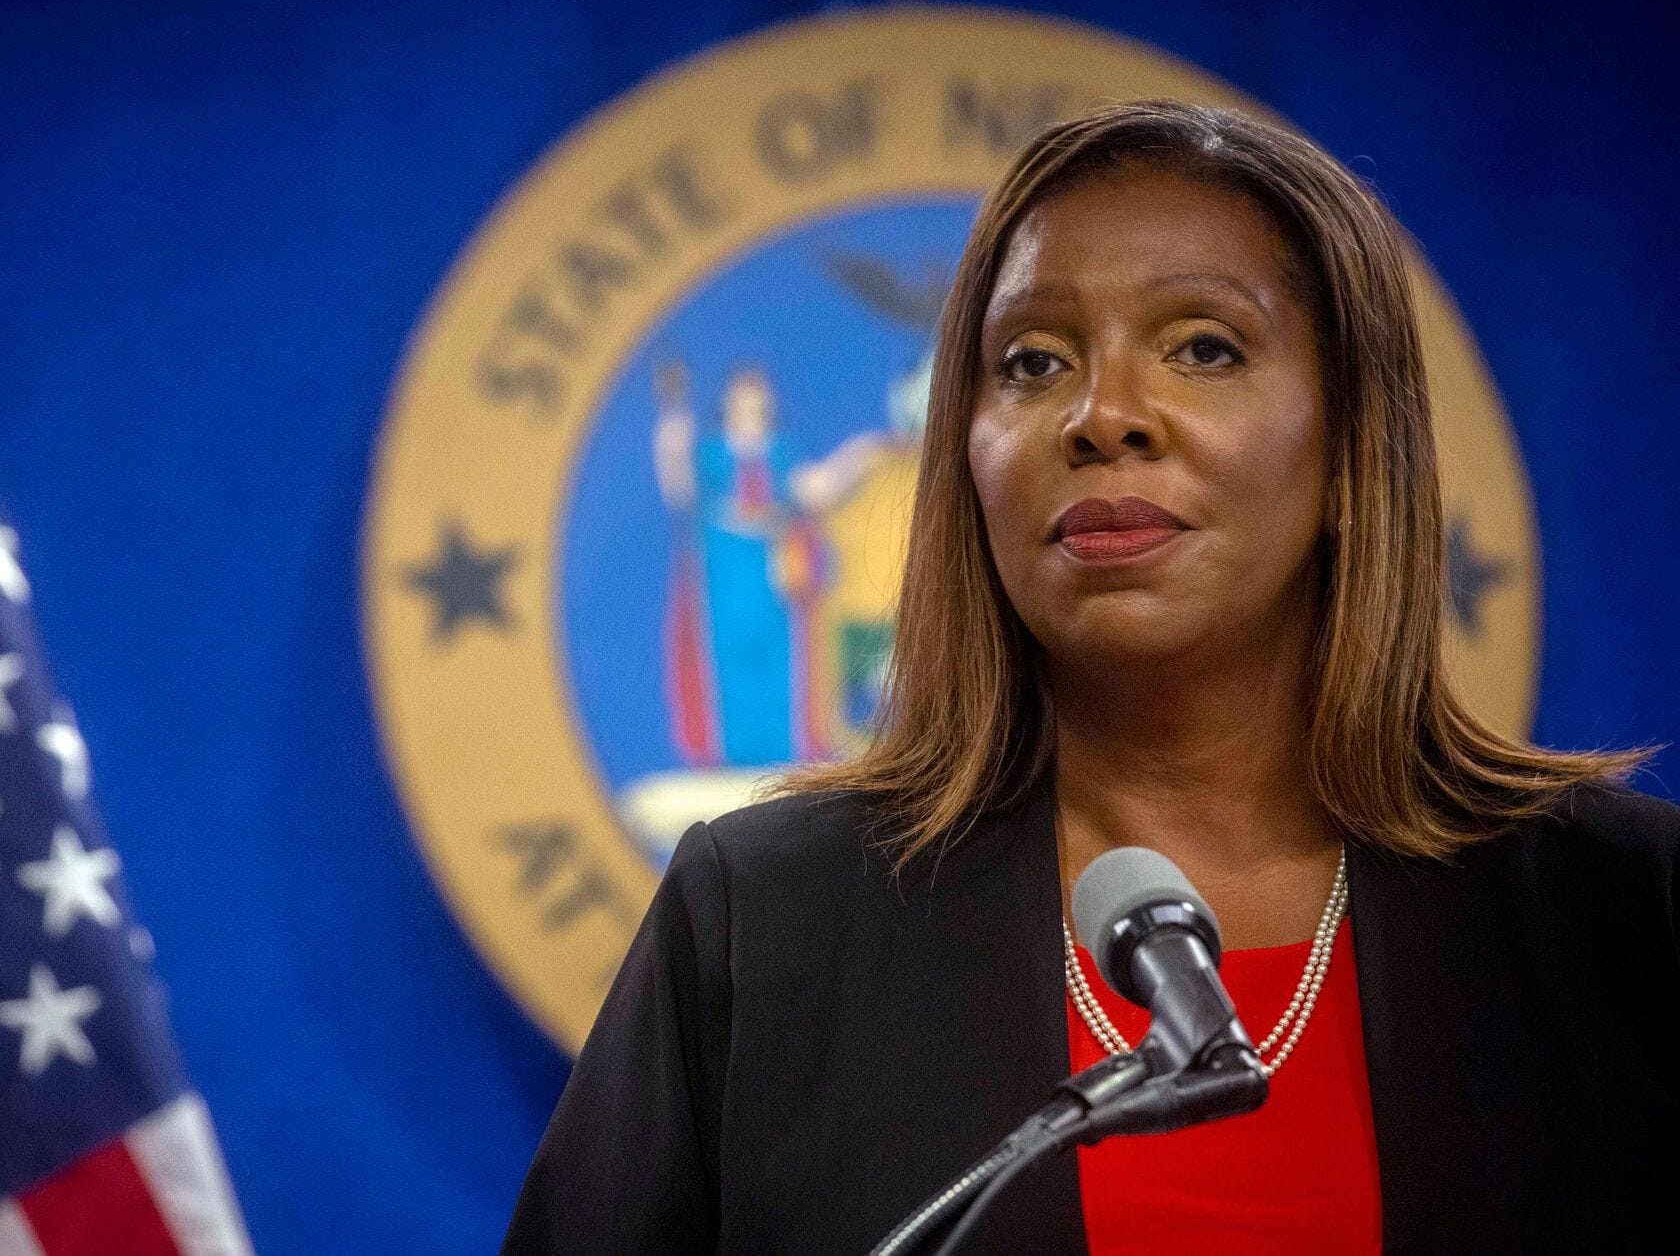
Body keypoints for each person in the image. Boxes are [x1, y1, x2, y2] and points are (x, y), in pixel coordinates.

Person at [502, 100, 1677, 1254]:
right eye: (1031, 362)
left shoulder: (1621, 911)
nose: (1100, 415)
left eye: (1201, 347)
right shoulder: (762, 920)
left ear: (1350, 444)